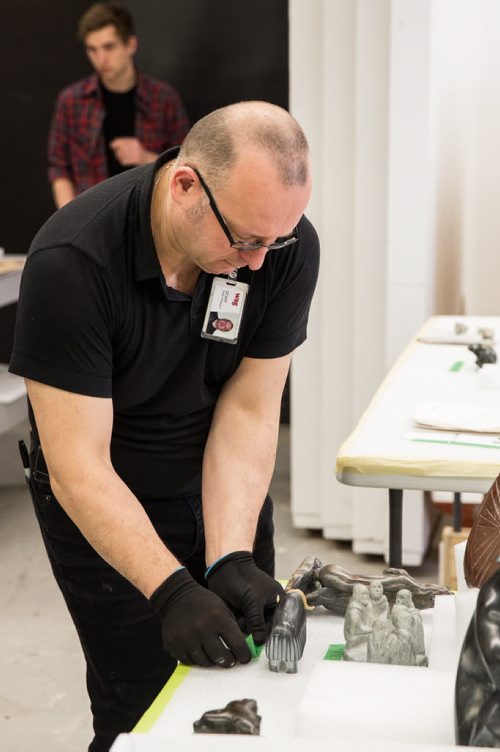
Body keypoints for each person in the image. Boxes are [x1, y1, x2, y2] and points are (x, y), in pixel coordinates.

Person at [10, 100, 319, 751]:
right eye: (244, 240)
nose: (259, 263)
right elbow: (77, 464)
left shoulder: (279, 247)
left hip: (217, 482)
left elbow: (251, 406)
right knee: (143, 711)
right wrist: (170, 588)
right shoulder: (73, 263)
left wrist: (230, 554)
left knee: (245, 695)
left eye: (275, 240)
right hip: (106, 495)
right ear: (185, 186)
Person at [48, 1, 189, 208]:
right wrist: (70, 219)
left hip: (148, 216)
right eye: (92, 50)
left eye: (109, 47)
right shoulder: (71, 101)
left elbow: (187, 165)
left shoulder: (164, 99)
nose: (101, 58)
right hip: (92, 216)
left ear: (131, 45)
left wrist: (146, 157)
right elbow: (59, 167)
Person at [343, 583, 372, 661]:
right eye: (363, 594)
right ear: (357, 595)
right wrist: (373, 629)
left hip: (360, 633)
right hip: (353, 637)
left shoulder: (365, 605)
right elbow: (357, 629)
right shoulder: (354, 610)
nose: (366, 596)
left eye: (367, 593)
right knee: (377, 635)